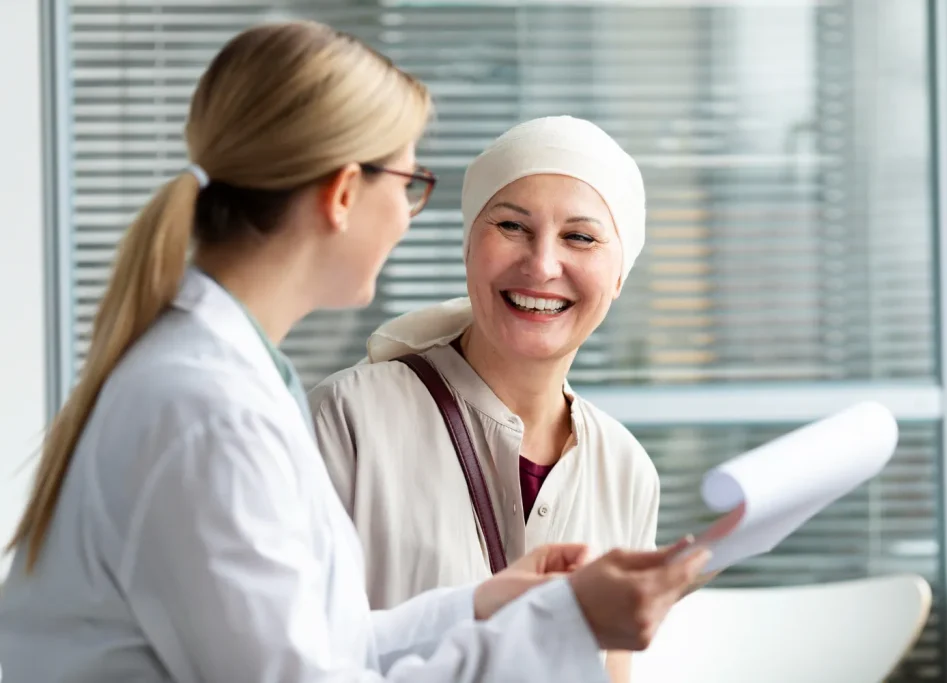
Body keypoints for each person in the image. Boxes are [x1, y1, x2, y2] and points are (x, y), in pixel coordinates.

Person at [0, 20, 711, 683]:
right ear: (344, 193)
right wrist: (560, 622)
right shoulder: (212, 412)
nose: (408, 215)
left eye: (580, 236)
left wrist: (485, 603)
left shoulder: (225, 381)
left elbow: (323, 640)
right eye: (408, 184)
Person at [309, 116, 662, 682]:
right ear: (469, 244)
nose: (542, 264)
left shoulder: (626, 471)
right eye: (512, 226)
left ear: (620, 273)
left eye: (580, 237)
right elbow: (289, 652)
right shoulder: (348, 420)